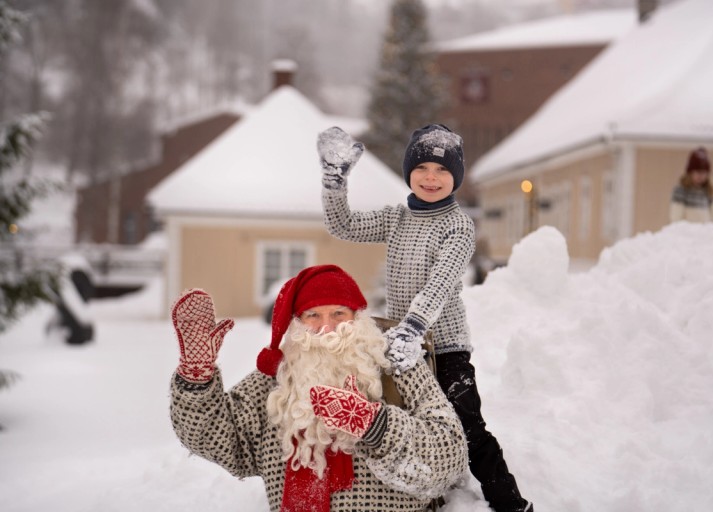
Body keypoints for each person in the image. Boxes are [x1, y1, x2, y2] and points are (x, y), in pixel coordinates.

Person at [317, 125, 533, 512]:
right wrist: (335, 182)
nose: (431, 178)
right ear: (409, 172)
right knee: (410, 429)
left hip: (444, 347)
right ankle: (429, 499)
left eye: (442, 170)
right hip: (402, 349)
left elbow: (441, 283)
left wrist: (414, 327)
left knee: (467, 428)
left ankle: (512, 504)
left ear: (456, 179)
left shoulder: (458, 225)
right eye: (422, 168)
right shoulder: (397, 218)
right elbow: (342, 225)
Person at [169, 264, 468, 512]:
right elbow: (218, 440)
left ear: (358, 318)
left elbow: (450, 456)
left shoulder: (395, 363)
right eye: (313, 316)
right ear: (297, 324)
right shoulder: (277, 380)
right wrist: (197, 377)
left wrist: (375, 424)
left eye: (339, 313)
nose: (327, 328)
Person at [670, 147, 713, 225]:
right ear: (690, 172)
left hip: (703, 234)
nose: (701, 176)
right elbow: (676, 218)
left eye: (704, 172)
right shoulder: (681, 191)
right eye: (697, 172)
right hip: (686, 234)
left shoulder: (707, 192)